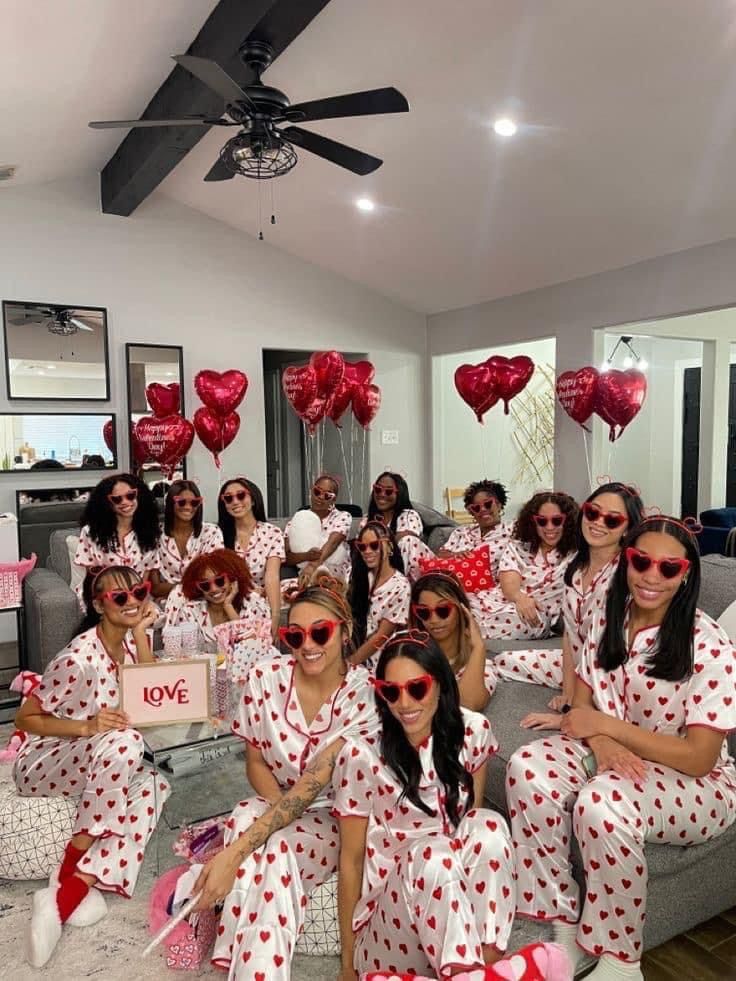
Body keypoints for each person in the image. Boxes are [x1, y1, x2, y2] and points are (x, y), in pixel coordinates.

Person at [506, 516, 736, 981]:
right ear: (626, 560)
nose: (652, 575)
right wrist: (601, 739)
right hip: (612, 751)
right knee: (527, 767)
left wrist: (608, 729)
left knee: (602, 803)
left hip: (699, 784)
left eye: (668, 568)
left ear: (686, 574)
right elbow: (585, 704)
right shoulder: (608, 617)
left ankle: (619, 962)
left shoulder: (708, 644)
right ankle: (562, 926)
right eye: (641, 561)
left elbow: (700, 756)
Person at [191, 578, 379, 977]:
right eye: (294, 635)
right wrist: (278, 815)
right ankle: (244, 961)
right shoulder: (265, 678)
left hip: (335, 819)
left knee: (272, 850)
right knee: (245, 816)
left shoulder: (365, 699)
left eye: (320, 632)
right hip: (277, 802)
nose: (307, 645)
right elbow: (256, 764)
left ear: (345, 631)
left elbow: (314, 790)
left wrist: (240, 851)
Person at [335, 630, 515, 980]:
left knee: (488, 824)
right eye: (391, 691)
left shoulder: (474, 731)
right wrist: (346, 965)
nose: (404, 703)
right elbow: (351, 859)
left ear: (440, 684)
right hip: (389, 927)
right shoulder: (360, 755)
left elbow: (470, 829)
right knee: (434, 853)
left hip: (456, 915)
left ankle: (485, 967)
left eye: (416, 688)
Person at [13, 566, 168, 968]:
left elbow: (152, 698)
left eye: (139, 591)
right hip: (45, 760)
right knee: (126, 741)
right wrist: (87, 726)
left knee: (155, 784)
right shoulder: (77, 660)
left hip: (97, 757)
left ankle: (68, 893)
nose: (133, 602)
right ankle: (69, 872)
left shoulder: (131, 643)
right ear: (99, 605)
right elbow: (26, 719)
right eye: (120, 598)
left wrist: (139, 636)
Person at [497, 481, 643, 728]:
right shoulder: (575, 568)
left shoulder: (626, 576)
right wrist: (568, 688)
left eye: (612, 520)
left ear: (628, 528)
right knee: (501, 661)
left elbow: (612, 655)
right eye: (593, 512)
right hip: (577, 666)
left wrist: (572, 712)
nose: (598, 522)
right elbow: (570, 636)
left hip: (610, 676)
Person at [469, 491, 578, 641]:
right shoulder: (518, 547)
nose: (550, 527)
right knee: (457, 606)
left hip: (536, 616)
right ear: (533, 522)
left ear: (568, 522)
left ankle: (463, 632)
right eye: (542, 521)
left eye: (557, 520)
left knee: (519, 621)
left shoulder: (577, 555)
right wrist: (520, 599)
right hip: (498, 601)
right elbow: (508, 581)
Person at [163, 549, 273, 672]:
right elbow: (179, 657)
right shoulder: (190, 611)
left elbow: (252, 650)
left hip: (248, 677)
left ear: (232, 579)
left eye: (219, 581)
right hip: (203, 677)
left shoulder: (254, 604)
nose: (214, 589)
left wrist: (228, 606)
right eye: (205, 585)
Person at [409, 571, 496, 710]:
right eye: (423, 612)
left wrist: (479, 646)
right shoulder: (406, 652)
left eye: (443, 610)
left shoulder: (478, 662)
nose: (434, 620)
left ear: (461, 609)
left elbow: (467, 705)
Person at [74, 473, 161, 607]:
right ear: (107, 502)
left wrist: (137, 601)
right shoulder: (90, 533)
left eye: (131, 495)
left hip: (137, 599)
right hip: (104, 599)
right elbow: (93, 579)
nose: (125, 502)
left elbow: (145, 578)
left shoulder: (150, 533)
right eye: (117, 499)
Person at [217, 477, 284, 640]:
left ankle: (258, 651)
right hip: (226, 595)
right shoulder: (217, 534)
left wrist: (276, 616)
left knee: (255, 600)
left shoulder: (272, 533)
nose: (235, 501)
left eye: (240, 495)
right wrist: (247, 588)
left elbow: (272, 576)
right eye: (228, 498)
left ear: (253, 499)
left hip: (258, 600)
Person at [349, 520, 411, 668]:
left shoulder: (400, 586)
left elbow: (382, 636)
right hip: (355, 649)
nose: (367, 551)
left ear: (389, 546)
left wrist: (350, 663)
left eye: (374, 545)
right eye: (362, 547)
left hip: (383, 661)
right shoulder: (359, 577)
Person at [151, 480, 223, 599]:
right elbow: (155, 588)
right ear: (170, 503)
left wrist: (174, 587)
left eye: (194, 502)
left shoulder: (211, 532)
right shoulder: (156, 535)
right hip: (166, 605)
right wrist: (193, 586)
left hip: (205, 602)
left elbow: (213, 579)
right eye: (181, 502)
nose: (188, 507)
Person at [284, 474, 352, 587]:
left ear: (334, 499)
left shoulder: (343, 516)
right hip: (305, 579)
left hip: (335, 577)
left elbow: (333, 543)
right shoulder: (297, 520)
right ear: (311, 491)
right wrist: (306, 556)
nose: (320, 497)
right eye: (317, 492)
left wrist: (312, 566)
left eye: (327, 495)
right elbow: (286, 558)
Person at [364, 471, 434, 580]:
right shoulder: (366, 520)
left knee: (407, 541)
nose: (382, 494)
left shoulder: (408, 515)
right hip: (380, 567)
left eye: (388, 491)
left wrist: (377, 544)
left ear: (399, 494)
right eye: (378, 489)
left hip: (419, 571)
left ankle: (395, 583)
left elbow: (408, 539)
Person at [438, 479, 512, 581]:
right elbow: (439, 555)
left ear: (499, 505)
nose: (482, 510)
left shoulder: (511, 531)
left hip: (487, 589)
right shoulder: (461, 532)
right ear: (472, 512)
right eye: (476, 508)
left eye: (488, 504)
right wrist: (455, 555)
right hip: (451, 583)